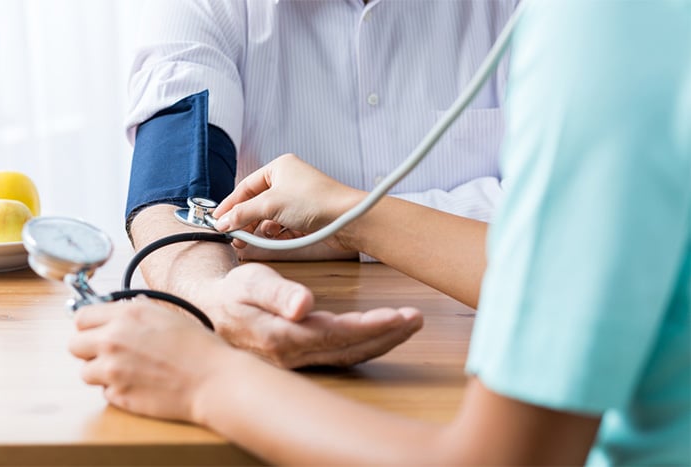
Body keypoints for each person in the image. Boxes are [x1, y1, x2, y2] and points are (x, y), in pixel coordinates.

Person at [73, 1, 690, 464]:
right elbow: (175, 190)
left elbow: (551, 245)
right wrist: (212, 297)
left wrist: (207, 376)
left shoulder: (589, 28)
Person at [123, 0, 517, 368]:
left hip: (497, 342)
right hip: (273, 342)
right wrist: (210, 297)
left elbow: (561, 223)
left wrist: (335, 226)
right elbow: (172, 192)